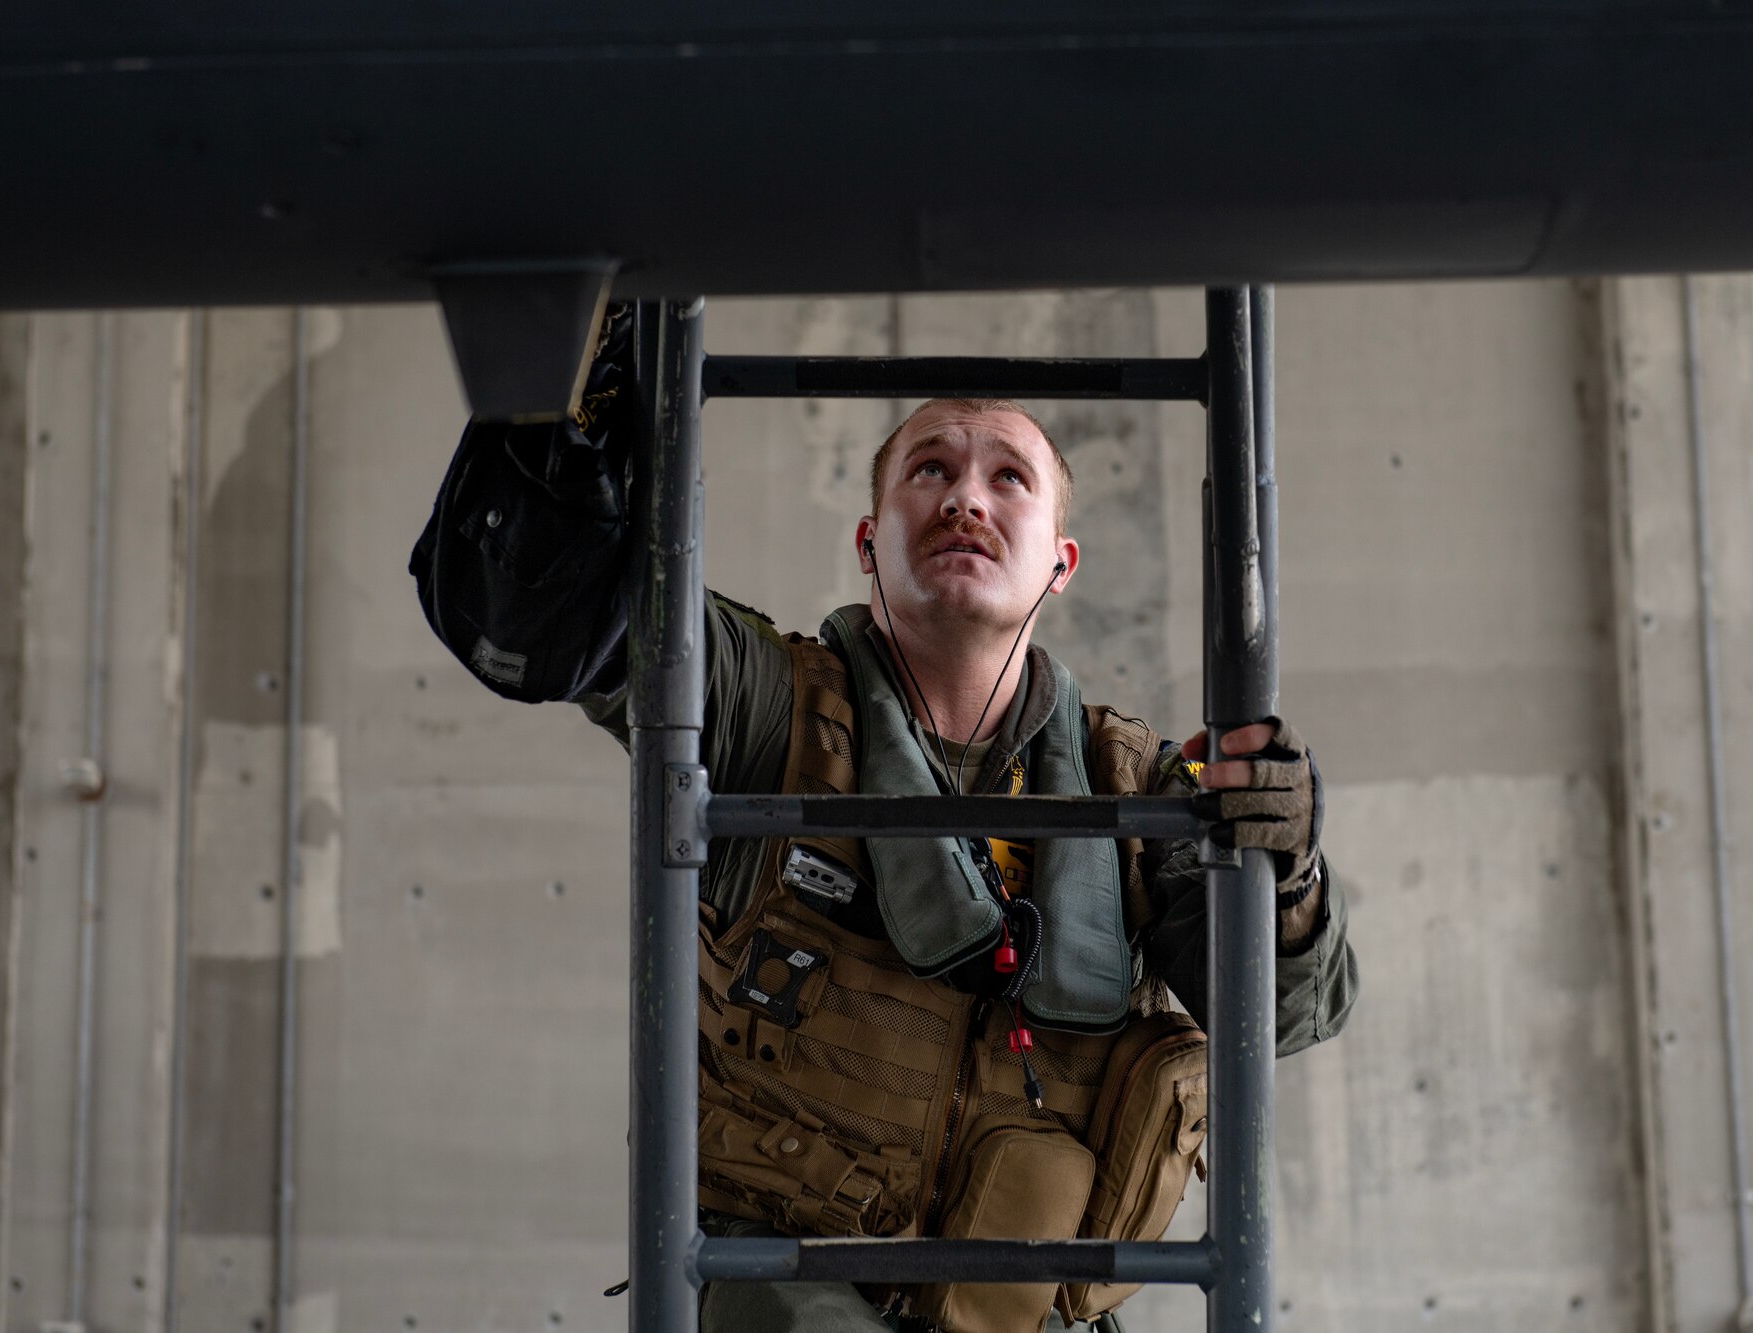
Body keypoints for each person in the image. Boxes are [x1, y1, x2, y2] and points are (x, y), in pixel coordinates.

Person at [411, 305, 1357, 1333]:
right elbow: (561, 624)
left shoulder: (1132, 786)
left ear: (1059, 562)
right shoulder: (759, 708)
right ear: (870, 542)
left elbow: (1284, 1013)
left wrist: (1289, 870)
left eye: (1009, 478)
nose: (965, 497)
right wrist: (568, 427)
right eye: (929, 471)